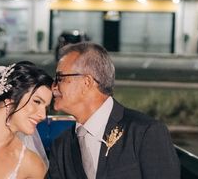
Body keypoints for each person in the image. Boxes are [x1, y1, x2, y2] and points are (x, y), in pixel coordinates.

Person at [47, 42, 180, 179]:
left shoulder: (145, 132)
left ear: (87, 82)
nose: (54, 87)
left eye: (60, 78)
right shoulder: (61, 146)